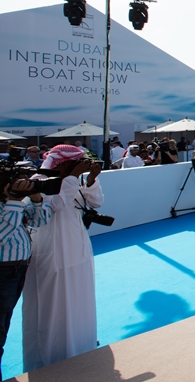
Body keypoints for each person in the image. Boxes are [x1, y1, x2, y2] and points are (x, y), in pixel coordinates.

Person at [23, 145, 104, 370]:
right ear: (63, 162)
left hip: (76, 249)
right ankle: (50, 359)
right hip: (52, 252)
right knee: (52, 306)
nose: (81, 165)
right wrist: (73, 177)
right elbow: (55, 205)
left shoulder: (71, 179)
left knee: (79, 298)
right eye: (77, 162)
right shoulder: (39, 180)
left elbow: (96, 202)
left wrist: (90, 180)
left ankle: (81, 345)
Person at [0, 175, 50, 378]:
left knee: (4, 322)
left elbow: (42, 220)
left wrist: (36, 199)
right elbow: (2, 234)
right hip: (3, 272)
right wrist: (14, 201)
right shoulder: (12, 203)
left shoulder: (11, 203)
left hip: (17, 269)